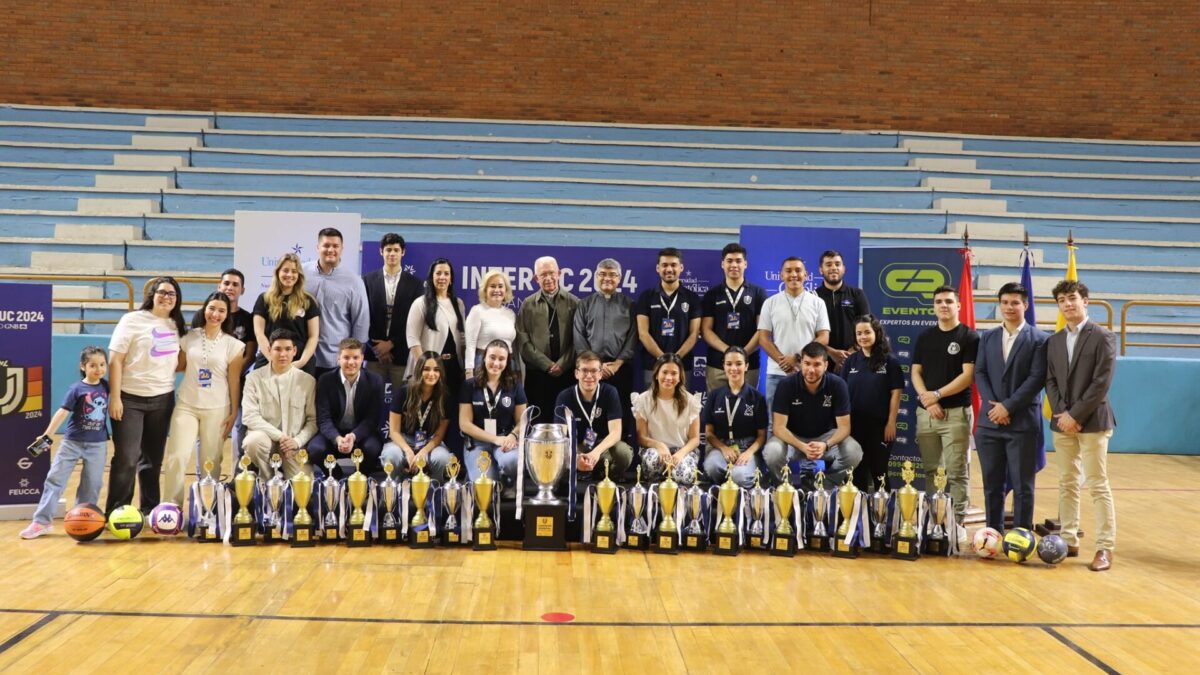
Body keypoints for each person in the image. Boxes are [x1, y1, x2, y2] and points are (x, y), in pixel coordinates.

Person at [1045, 280, 1118, 572]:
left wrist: (1075, 415)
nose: (1067, 304)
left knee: (1098, 484)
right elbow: (1050, 381)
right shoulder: (1054, 341)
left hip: (1093, 422)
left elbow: (1101, 382)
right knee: (1067, 482)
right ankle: (1068, 539)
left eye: (1072, 298)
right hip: (1062, 423)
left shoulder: (1103, 336)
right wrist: (1062, 414)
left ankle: (1105, 547)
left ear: (1085, 301)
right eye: (1062, 300)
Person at [105, 276, 186, 515]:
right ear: (152, 295)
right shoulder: (132, 320)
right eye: (162, 292)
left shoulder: (177, 325)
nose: (166, 297)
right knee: (127, 458)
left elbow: (180, 363)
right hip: (129, 399)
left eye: (171, 294)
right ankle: (117, 511)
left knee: (152, 460)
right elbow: (115, 360)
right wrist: (115, 397)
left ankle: (150, 510)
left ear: (177, 299)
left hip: (162, 400)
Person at [974, 282, 1049, 534]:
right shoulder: (988, 337)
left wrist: (1007, 407)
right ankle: (992, 534)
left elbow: (1036, 379)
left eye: (1015, 302)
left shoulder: (1040, 339)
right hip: (989, 423)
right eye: (1004, 302)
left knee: (1023, 486)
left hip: (1022, 424)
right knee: (992, 485)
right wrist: (994, 407)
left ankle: (1021, 537)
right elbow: (980, 372)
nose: (1009, 307)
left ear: (1025, 305)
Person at [162, 292, 245, 507]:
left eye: (221, 311)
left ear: (227, 315)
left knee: (211, 461)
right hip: (187, 405)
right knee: (177, 456)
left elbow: (234, 380)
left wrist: (233, 412)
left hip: (218, 408)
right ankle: (171, 507)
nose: (215, 314)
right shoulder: (189, 337)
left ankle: (210, 510)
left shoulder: (234, 345)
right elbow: (179, 366)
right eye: (212, 308)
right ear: (204, 309)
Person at [911, 285, 979, 537]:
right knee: (932, 471)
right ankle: (934, 519)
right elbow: (915, 372)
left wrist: (937, 395)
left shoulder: (969, 337)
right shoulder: (925, 337)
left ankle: (958, 523)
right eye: (939, 301)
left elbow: (968, 376)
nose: (943, 305)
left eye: (949, 301)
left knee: (956, 472)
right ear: (933, 307)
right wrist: (928, 400)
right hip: (926, 413)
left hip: (956, 414)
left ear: (958, 305)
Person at [20, 347, 109, 539]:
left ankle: (84, 520)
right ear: (83, 366)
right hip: (71, 443)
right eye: (93, 365)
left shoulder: (106, 387)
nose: (99, 369)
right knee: (55, 479)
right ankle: (41, 522)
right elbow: (62, 412)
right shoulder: (76, 389)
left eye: (102, 364)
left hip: (98, 445)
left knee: (92, 484)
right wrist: (47, 435)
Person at [762, 342, 862, 486]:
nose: (811, 370)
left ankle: (823, 484)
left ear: (826, 365)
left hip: (825, 438)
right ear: (801, 363)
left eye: (817, 364)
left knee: (854, 452)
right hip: (793, 439)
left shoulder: (838, 385)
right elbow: (778, 428)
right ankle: (787, 489)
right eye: (807, 363)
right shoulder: (786, 384)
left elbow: (844, 428)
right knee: (771, 452)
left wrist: (826, 445)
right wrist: (802, 446)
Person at [573, 258, 638, 442]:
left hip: (620, 368)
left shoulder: (629, 305)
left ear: (619, 278)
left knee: (621, 411)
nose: (607, 278)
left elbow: (633, 336)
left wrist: (617, 363)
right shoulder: (584, 304)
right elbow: (579, 336)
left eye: (612, 275)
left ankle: (619, 453)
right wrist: (597, 367)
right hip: (590, 371)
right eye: (602, 274)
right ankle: (590, 451)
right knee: (591, 412)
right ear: (596, 276)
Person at [242, 329, 318, 480]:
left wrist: (296, 442)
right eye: (277, 349)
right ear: (269, 350)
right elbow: (249, 417)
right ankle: (267, 479)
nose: (283, 354)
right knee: (252, 442)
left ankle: (284, 476)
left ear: (294, 351)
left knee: (303, 488)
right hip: (266, 441)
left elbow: (313, 420)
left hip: (293, 446)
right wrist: (280, 437)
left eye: (288, 349)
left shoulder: (308, 381)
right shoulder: (253, 378)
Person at [757, 256, 830, 412]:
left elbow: (824, 337)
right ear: (781, 275)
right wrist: (784, 363)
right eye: (788, 271)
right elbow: (763, 338)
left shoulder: (818, 303)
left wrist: (797, 357)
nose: (793, 275)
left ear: (806, 275)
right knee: (773, 420)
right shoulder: (770, 303)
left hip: (808, 373)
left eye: (798, 270)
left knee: (807, 419)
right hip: (776, 373)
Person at [840, 315, 903, 492]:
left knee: (879, 471)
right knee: (856, 473)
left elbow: (896, 394)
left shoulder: (890, 362)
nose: (863, 337)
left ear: (877, 333)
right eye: (859, 333)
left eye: (867, 332)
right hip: (854, 427)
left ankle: (884, 509)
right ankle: (858, 510)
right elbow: (842, 393)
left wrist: (891, 422)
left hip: (880, 427)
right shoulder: (851, 361)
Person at [309, 338, 386, 478]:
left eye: (355, 357)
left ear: (362, 358)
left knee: (372, 448)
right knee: (315, 449)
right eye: (346, 357)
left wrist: (354, 436)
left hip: (361, 435)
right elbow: (323, 419)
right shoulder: (325, 380)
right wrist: (337, 438)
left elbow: (372, 419)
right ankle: (336, 477)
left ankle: (359, 480)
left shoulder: (375, 381)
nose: (351, 362)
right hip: (334, 434)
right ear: (338, 358)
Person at [554, 351, 634, 482]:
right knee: (560, 454)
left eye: (594, 371)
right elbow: (560, 435)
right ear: (576, 373)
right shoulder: (565, 396)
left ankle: (608, 475)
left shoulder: (610, 392)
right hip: (578, 447)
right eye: (584, 370)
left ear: (601, 374)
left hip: (603, 448)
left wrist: (595, 453)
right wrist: (575, 457)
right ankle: (583, 470)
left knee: (624, 453)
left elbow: (616, 433)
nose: (589, 376)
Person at [517, 256, 579, 424]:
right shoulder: (528, 305)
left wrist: (563, 364)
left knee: (565, 421)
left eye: (552, 273)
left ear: (559, 274)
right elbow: (523, 340)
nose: (548, 278)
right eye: (543, 274)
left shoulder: (574, 303)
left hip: (566, 373)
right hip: (538, 374)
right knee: (538, 422)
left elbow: (579, 339)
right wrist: (547, 364)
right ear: (536, 278)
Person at [303, 227, 371, 378]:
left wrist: (353, 357)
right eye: (326, 245)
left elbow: (361, 322)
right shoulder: (301, 273)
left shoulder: (354, 281)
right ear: (318, 247)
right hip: (303, 356)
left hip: (335, 360)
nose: (331, 250)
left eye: (335, 246)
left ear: (342, 249)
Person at [459, 340, 528, 487]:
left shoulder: (515, 385)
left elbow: (523, 420)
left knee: (512, 462)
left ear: (507, 362)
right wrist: (495, 439)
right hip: (477, 443)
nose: (496, 363)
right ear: (484, 357)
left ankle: (506, 480)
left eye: (501, 359)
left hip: (505, 440)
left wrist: (513, 435)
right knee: (486, 486)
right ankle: (479, 474)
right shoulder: (469, 385)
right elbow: (464, 424)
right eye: (492, 357)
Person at [702, 243, 768, 392]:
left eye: (738, 261)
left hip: (748, 365)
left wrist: (742, 355)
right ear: (722, 264)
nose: (734, 265)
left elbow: (762, 330)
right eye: (729, 261)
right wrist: (728, 352)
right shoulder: (712, 295)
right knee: (717, 405)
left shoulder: (758, 293)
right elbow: (706, 330)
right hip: (717, 364)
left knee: (746, 405)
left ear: (745, 264)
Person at [701, 346, 769, 489]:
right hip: (722, 447)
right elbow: (709, 433)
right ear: (724, 366)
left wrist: (749, 453)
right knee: (711, 468)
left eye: (739, 364)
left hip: (748, 448)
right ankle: (723, 490)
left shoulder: (757, 397)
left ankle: (750, 481)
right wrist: (723, 448)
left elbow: (762, 436)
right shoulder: (714, 395)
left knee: (739, 477)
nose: (734, 368)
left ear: (746, 366)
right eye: (729, 364)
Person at [363, 233, 423, 391]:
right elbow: (363, 317)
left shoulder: (415, 284)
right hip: (374, 355)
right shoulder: (367, 281)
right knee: (370, 400)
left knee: (403, 401)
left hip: (402, 355)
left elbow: (415, 322)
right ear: (381, 251)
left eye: (396, 250)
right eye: (388, 250)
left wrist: (391, 344)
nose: (392, 254)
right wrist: (378, 348)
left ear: (403, 252)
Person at [382, 351, 454, 480]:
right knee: (392, 456)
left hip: (430, 442)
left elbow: (439, 435)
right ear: (419, 370)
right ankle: (395, 486)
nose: (431, 374)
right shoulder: (404, 392)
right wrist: (408, 451)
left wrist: (424, 451)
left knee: (442, 458)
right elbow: (394, 431)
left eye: (436, 370)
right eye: (426, 369)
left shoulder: (445, 396)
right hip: (403, 440)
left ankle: (434, 487)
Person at [636, 247, 701, 387]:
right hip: (653, 365)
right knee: (652, 401)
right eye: (664, 265)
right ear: (658, 268)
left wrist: (675, 359)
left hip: (682, 365)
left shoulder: (692, 298)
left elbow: (694, 334)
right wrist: (662, 358)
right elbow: (643, 333)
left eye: (673, 265)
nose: (669, 269)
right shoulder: (646, 297)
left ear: (681, 267)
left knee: (681, 400)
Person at [635, 353, 703, 485]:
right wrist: (660, 446)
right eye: (664, 372)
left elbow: (695, 439)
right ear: (656, 374)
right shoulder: (643, 400)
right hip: (656, 449)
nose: (668, 377)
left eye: (674, 373)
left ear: (680, 376)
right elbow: (641, 437)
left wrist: (680, 454)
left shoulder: (691, 401)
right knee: (653, 464)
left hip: (682, 450)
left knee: (681, 475)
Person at [406, 258, 468, 396]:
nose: (442, 277)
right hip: (431, 369)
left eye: (446, 274)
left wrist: (466, 366)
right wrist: (424, 367)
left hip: (454, 368)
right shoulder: (420, 303)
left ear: (451, 279)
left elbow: (462, 337)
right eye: (438, 273)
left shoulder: (458, 303)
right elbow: (412, 339)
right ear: (431, 277)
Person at [253, 253, 321, 376]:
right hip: (270, 359)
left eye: (294, 271)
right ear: (278, 272)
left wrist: (302, 362)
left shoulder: (308, 301)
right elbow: (259, 333)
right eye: (285, 270)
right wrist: (272, 360)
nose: (289, 275)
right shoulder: (264, 299)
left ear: (299, 275)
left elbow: (313, 336)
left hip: (300, 361)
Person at [816, 250, 870, 368]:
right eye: (828, 264)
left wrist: (847, 356)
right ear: (821, 270)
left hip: (853, 359)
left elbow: (866, 327)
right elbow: (809, 332)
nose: (833, 268)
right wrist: (831, 353)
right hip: (820, 360)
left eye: (837, 264)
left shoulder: (857, 294)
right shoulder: (813, 297)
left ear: (843, 269)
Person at [464, 270, 518, 372]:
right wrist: (469, 371)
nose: (497, 290)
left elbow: (514, 346)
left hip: (508, 364)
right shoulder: (477, 311)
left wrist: (518, 369)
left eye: (500, 286)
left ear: (506, 290)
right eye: (492, 286)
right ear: (485, 290)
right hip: (483, 364)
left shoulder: (510, 314)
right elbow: (470, 344)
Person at [216, 268, 256, 372]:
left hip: (237, 377)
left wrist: (231, 375)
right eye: (226, 283)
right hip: (208, 377)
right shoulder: (204, 315)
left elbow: (249, 356)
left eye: (235, 285)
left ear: (242, 290)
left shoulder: (249, 319)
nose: (230, 287)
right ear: (219, 287)